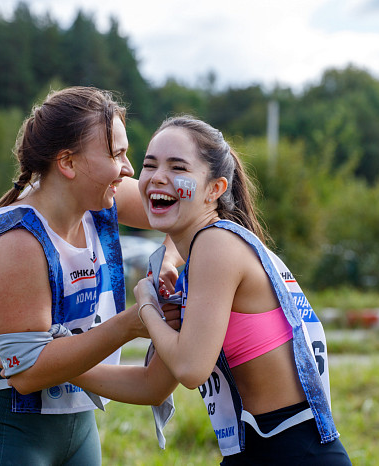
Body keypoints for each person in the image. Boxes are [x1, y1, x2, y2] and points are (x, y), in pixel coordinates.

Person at [46, 116, 352, 464]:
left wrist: (145, 306)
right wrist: (50, 363)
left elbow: (191, 369)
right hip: (258, 448)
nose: (157, 176)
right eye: (149, 165)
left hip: (293, 451)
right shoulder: (201, 257)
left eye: (177, 167)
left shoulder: (215, 245)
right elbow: (151, 386)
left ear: (215, 189)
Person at [0, 86, 179, 465]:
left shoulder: (103, 197)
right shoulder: (19, 241)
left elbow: (187, 213)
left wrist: (168, 257)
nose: (129, 169)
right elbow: (27, 370)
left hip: (78, 425)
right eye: (116, 154)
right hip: (6, 431)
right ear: (68, 163)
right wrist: (130, 325)